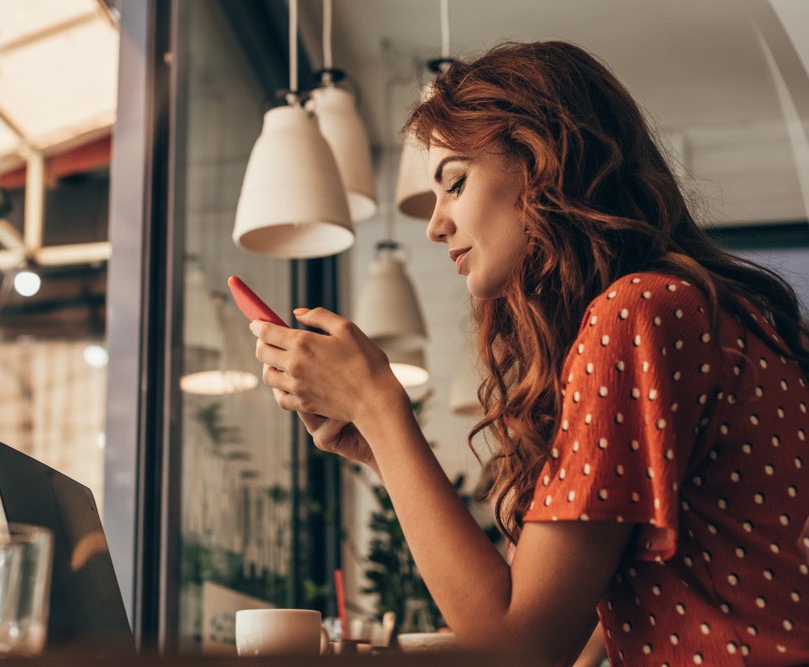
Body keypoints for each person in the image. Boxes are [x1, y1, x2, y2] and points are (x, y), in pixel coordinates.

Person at [248, 40, 809, 666]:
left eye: (455, 182)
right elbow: (560, 612)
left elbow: (518, 647)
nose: (435, 225)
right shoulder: (686, 308)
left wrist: (382, 407)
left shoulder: (636, 312)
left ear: (541, 160)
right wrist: (381, 443)